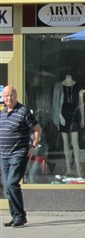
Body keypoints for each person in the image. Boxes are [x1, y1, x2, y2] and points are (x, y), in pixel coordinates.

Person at [1, 86, 42, 227]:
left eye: (11, 95)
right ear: (3, 98)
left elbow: (37, 129)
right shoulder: (2, 113)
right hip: (3, 155)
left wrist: (33, 146)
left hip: (18, 154)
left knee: (12, 184)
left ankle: (20, 216)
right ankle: (15, 216)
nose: (9, 98)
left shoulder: (23, 111)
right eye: (6, 96)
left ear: (16, 95)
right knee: (7, 187)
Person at [52, 74, 84, 176]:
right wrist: (59, 116)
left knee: (75, 142)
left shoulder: (78, 86)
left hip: (75, 116)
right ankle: (69, 169)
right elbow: (56, 103)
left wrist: (82, 117)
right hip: (63, 116)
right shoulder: (58, 86)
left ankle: (78, 169)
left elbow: (81, 103)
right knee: (65, 142)